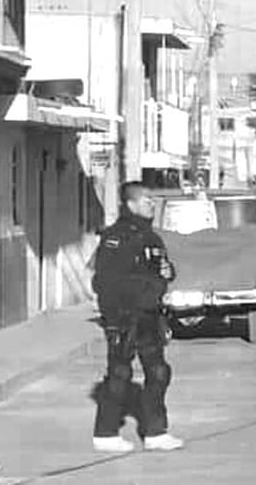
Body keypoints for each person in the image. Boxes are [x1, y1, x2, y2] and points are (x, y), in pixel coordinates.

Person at [91, 182, 184, 453]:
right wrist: (111, 320)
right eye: (146, 200)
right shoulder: (116, 237)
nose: (152, 204)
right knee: (120, 373)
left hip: (149, 314)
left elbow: (160, 268)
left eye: (153, 200)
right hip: (123, 316)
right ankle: (106, 433)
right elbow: (105, 282)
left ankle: (156, 432)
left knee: (158, 372)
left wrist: (168, 273)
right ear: (131, 204)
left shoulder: (152, 237)